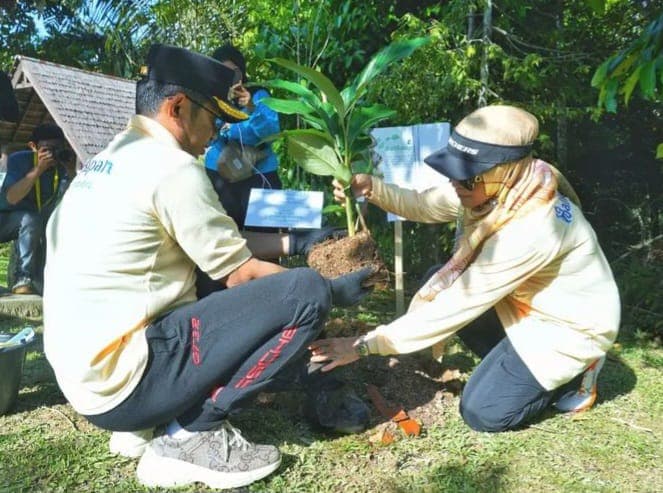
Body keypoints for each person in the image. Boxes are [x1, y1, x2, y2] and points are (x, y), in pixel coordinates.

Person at [42, 44, 373, 490]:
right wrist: (331, 289)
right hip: (129, 379)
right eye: (213, 119)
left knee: (225, 285)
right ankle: (191, 435)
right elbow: (242, 273)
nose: (216, 134)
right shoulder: (173, 168)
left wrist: (297, 240)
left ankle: (143, 425)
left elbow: (219, 246)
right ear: (177, 107)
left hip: (88, 380)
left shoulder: (107, 163)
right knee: (305, 293)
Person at [310, 105, 621, 432]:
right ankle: (520, 368)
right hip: (525, 304)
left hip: (568, 325)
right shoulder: (499, 187)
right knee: (437, 279)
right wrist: (370, 187)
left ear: (506, 169)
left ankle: (574, 375)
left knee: (482, 411)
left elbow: (457, 304)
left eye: (465, 173)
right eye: (453, 171)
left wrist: (363, 345)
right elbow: (424, 204)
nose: (454, 181)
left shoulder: (533, 226)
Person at [203, 43, 281, 229]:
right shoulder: (210, 98)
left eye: (234, 72)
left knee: (265, 234)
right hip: (221, 172)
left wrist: (252, 108)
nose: (230, 77)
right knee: (226, 233)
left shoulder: (259, 94)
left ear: (242, 72)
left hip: (260, 173)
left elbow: (272, 133)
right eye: (223, 71)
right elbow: (205, 136)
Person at [0, 123, 74, 294]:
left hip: (30, 225)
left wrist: (71, 171)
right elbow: (12, 197)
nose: (53, 154)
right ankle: (22, 276)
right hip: (5, 217)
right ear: (33, 147)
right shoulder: (19, 160)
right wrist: (38, 170)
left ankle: (33, 283)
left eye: (58, 149)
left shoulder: (61, 168)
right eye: (48, 149)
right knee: (29, 218)